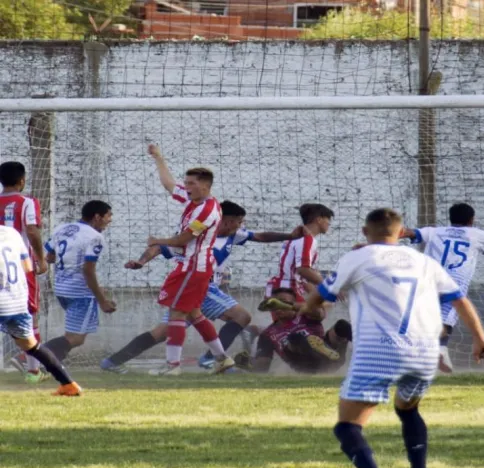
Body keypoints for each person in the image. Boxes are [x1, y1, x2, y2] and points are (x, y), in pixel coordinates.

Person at [304, 208, 484, 468]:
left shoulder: (357, 257)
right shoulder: (424, 262)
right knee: (408, 410)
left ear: (365, 232)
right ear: (400, 232)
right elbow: (459, 299)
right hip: (423, 352)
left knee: (347, 426)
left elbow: (319, 298)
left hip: (377, 352)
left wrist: (307, 310)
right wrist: (480, 338)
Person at [101, 200, 304, 373]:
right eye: (239, 222)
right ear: (227, 221)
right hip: (197, 286)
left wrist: (289, 236)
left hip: (203, 288)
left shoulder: (234, 235)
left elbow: (259, 236)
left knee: (163, 332)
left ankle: (113, 362)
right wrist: (141, 261)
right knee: (240, 316)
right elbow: (159, 247)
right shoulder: (198, 236)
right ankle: (211, 359)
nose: (241, 226)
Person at [145, 143, 232, 376]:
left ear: (205, 186)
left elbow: (184, 239)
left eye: (192, 183)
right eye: (187, 182)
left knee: (176, 313)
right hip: (193, 266)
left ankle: (172, 366)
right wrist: (158, 158)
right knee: (194, 313)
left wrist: (158, 241)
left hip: (193, 267)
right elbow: (169, 184)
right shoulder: (193, 200)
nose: (187, 187)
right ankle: (222, 359)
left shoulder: (207, 211)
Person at [402, 202, 484, 373]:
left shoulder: (434, 231)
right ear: (472, 219)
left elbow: (409, 232)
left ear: (450, 218)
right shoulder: (478, 234)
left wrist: (382, 238)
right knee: (446, 317)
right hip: (453, 282)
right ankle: (440, 349)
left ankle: (410, 352)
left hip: (427, 279)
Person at [0, 224, 81, 395]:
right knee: (31, 346)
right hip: (17, 302)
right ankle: (68, 384)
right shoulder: (12, 234)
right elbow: (28, 267)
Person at [41, 201, 116, 363]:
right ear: (97, 217)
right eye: (108, 215)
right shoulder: (95, 237)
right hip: (80, 292)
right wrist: (102, 301)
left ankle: (48, 367)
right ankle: (30, 358)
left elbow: (49, 256)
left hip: (61, 289)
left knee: (74, 336)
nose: (110, 220)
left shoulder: (63, 228)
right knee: (75, 338)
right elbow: (88, 271)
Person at [0, 161, 49, 381]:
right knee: (29, 313)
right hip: (19, 265)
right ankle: (33, 371)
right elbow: (32, 230)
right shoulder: (27, 202)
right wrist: (41, 258)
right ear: (22, 180)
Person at [239, 288, 351, 374]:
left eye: (282, 302)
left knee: (342, 325)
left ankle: (365, 354)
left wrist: (291, 306)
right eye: (274, 304)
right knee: (294, 338)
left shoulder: (306, 315)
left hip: (332, 358)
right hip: (306, 366)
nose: (278, 307)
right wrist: (248, 363)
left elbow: (319, 313)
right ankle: (317, 350)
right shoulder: (268, 334)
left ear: (293, 303)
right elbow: (262, 367)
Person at [261, 203, 334, 309]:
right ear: (319, 219)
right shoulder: (307, 239)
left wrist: (319, 295)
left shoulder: (297, 237)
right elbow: (303, 270)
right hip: (287, 290)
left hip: (280, 287)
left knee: (320, 308)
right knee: (317, 312)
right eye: (328, 219)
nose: (329, 224)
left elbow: (302, 277)